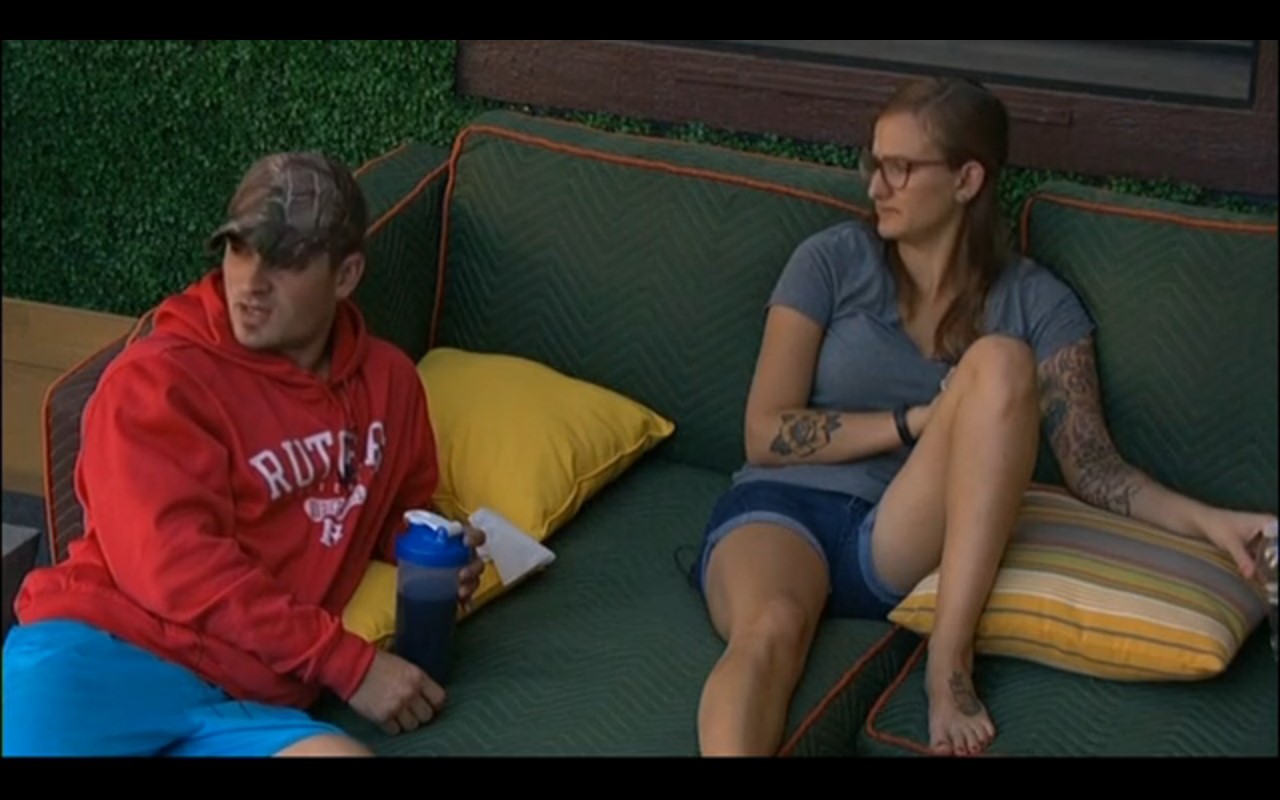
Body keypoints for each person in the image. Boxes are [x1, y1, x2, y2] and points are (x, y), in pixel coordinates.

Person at [692, 77, 1276, 757]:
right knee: (772, 626)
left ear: (967, 179)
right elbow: (763, 433)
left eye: (900, 168)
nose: (876, 186)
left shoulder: (1036, 303)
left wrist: (1214, 523)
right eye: (873, 163)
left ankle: (949, 662)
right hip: (783, 512)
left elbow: (1093, 468)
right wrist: (916, 421)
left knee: (999, 359)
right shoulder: (829, 261)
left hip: (900, 532)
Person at [2, 152, 486, 757]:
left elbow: (387, 509)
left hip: (243, 700)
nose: (251, 283)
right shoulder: (156, 380)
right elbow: (176, 566)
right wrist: (349, 664)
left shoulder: (389, 384)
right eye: (239, 250)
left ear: (345, 275)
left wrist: (434, 547)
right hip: (101, 657)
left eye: (284, 260)